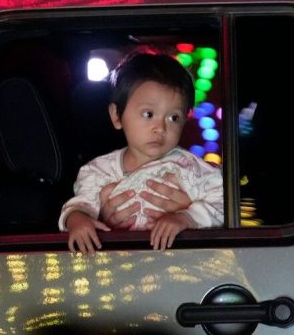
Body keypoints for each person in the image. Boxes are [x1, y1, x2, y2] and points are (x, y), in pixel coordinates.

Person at [58, 52, 223, 254]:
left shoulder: (190, 168)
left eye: (173, 117)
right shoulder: (98, 171)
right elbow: (79, 206)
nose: (160, 128)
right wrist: (78, 221)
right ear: (117, 115)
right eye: (149, 114)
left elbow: (223, 203)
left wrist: (187, 217)